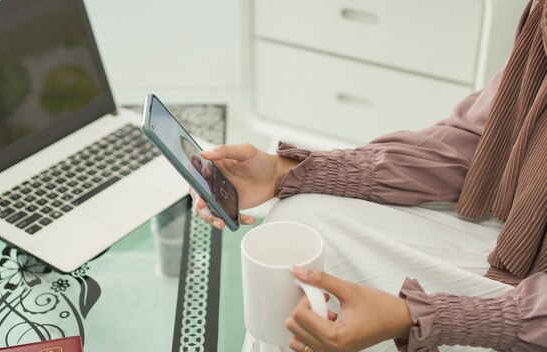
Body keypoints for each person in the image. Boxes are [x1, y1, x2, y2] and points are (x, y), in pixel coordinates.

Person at [190, 1, 547, 351]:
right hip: (522, 233)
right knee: (300, 219)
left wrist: (423, 319)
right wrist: (284, 172)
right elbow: (475, 143)